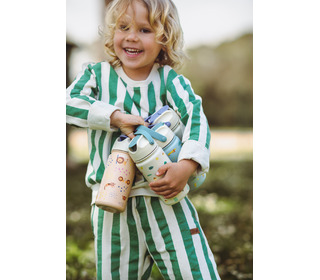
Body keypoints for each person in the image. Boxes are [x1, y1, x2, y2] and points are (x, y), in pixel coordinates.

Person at [66, 0, 221, 279]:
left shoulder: (170, 81)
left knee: (193, 269)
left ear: (164, 39)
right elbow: (66, 103)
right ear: (112, 33)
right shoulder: (96, 76)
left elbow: (195, 118)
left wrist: (186, 166)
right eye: (123, 27)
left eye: (145, 30)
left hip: (165, 198)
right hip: (111, 205)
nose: (132, 36)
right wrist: (113, 116)